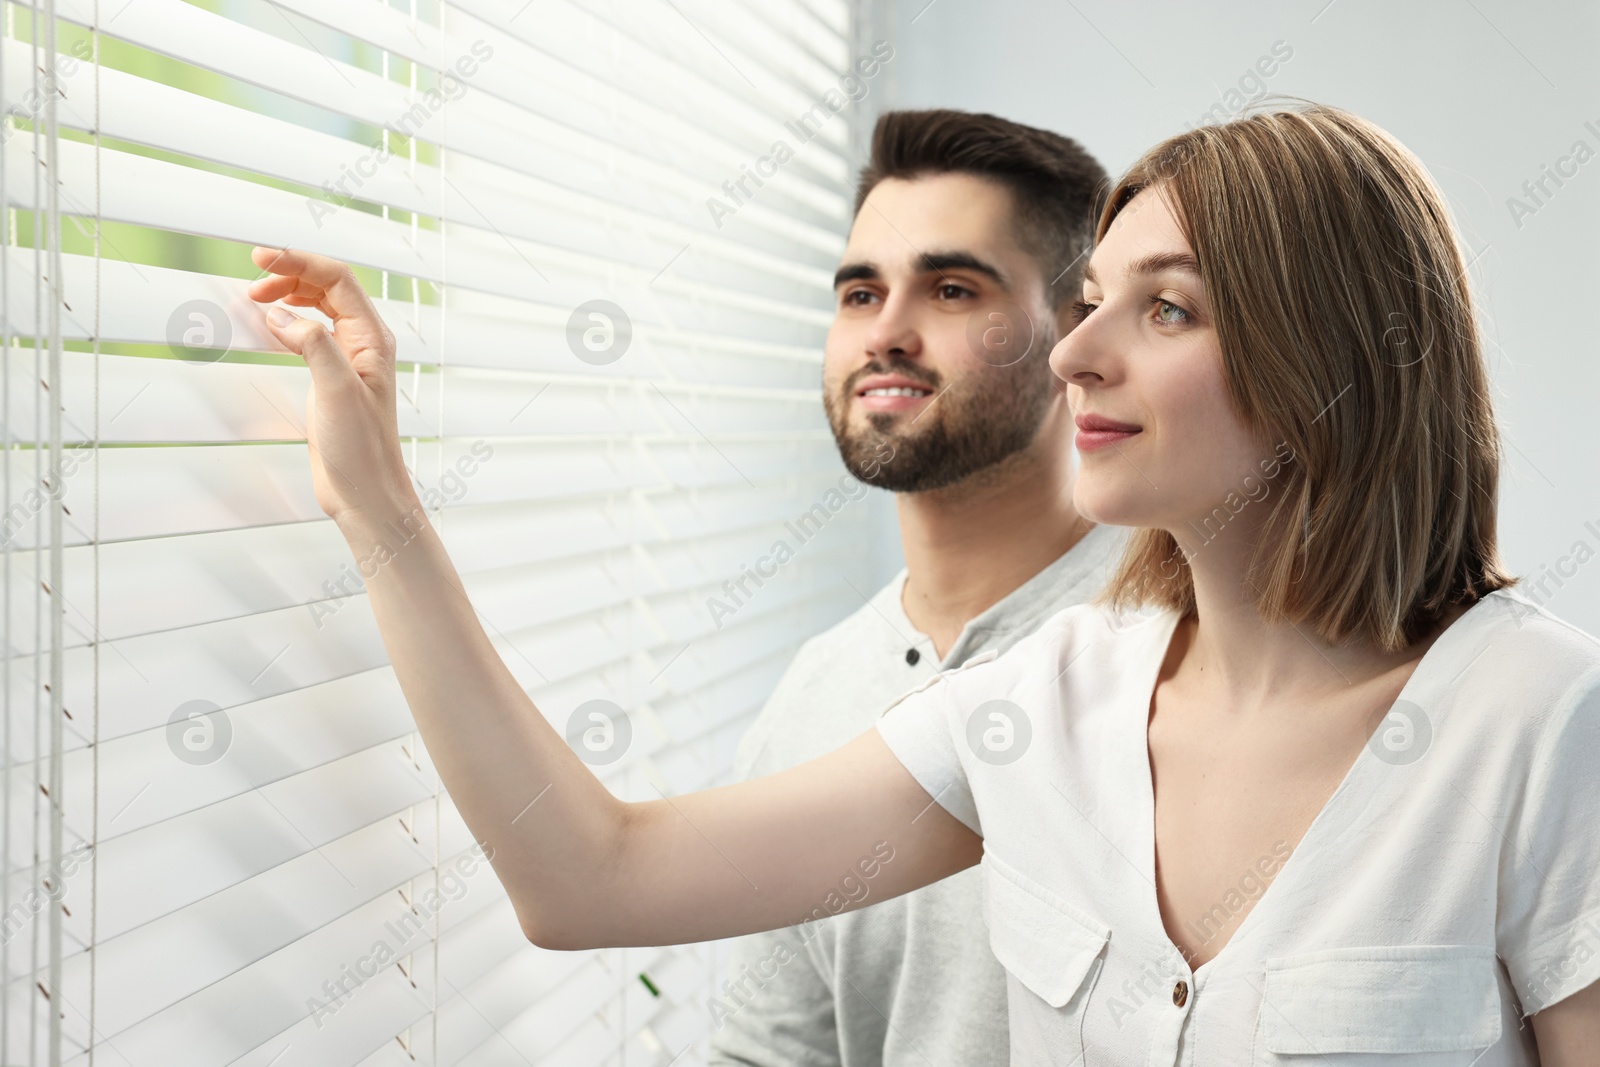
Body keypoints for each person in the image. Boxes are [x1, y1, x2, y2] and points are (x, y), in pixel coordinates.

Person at [246, 102, 1600, 1064]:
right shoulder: (1048, 702)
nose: (1079, 358)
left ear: (1336, 360)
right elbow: (587, 878)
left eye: (1168, 307)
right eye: (1092, 302)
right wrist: (381, 509)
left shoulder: (1539, 721)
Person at [708, 111, 1120, 1067]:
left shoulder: (1192, 645)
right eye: (859, 293)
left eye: (950, 288)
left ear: (1075, 332)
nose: (886, 332)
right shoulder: (808, 707)